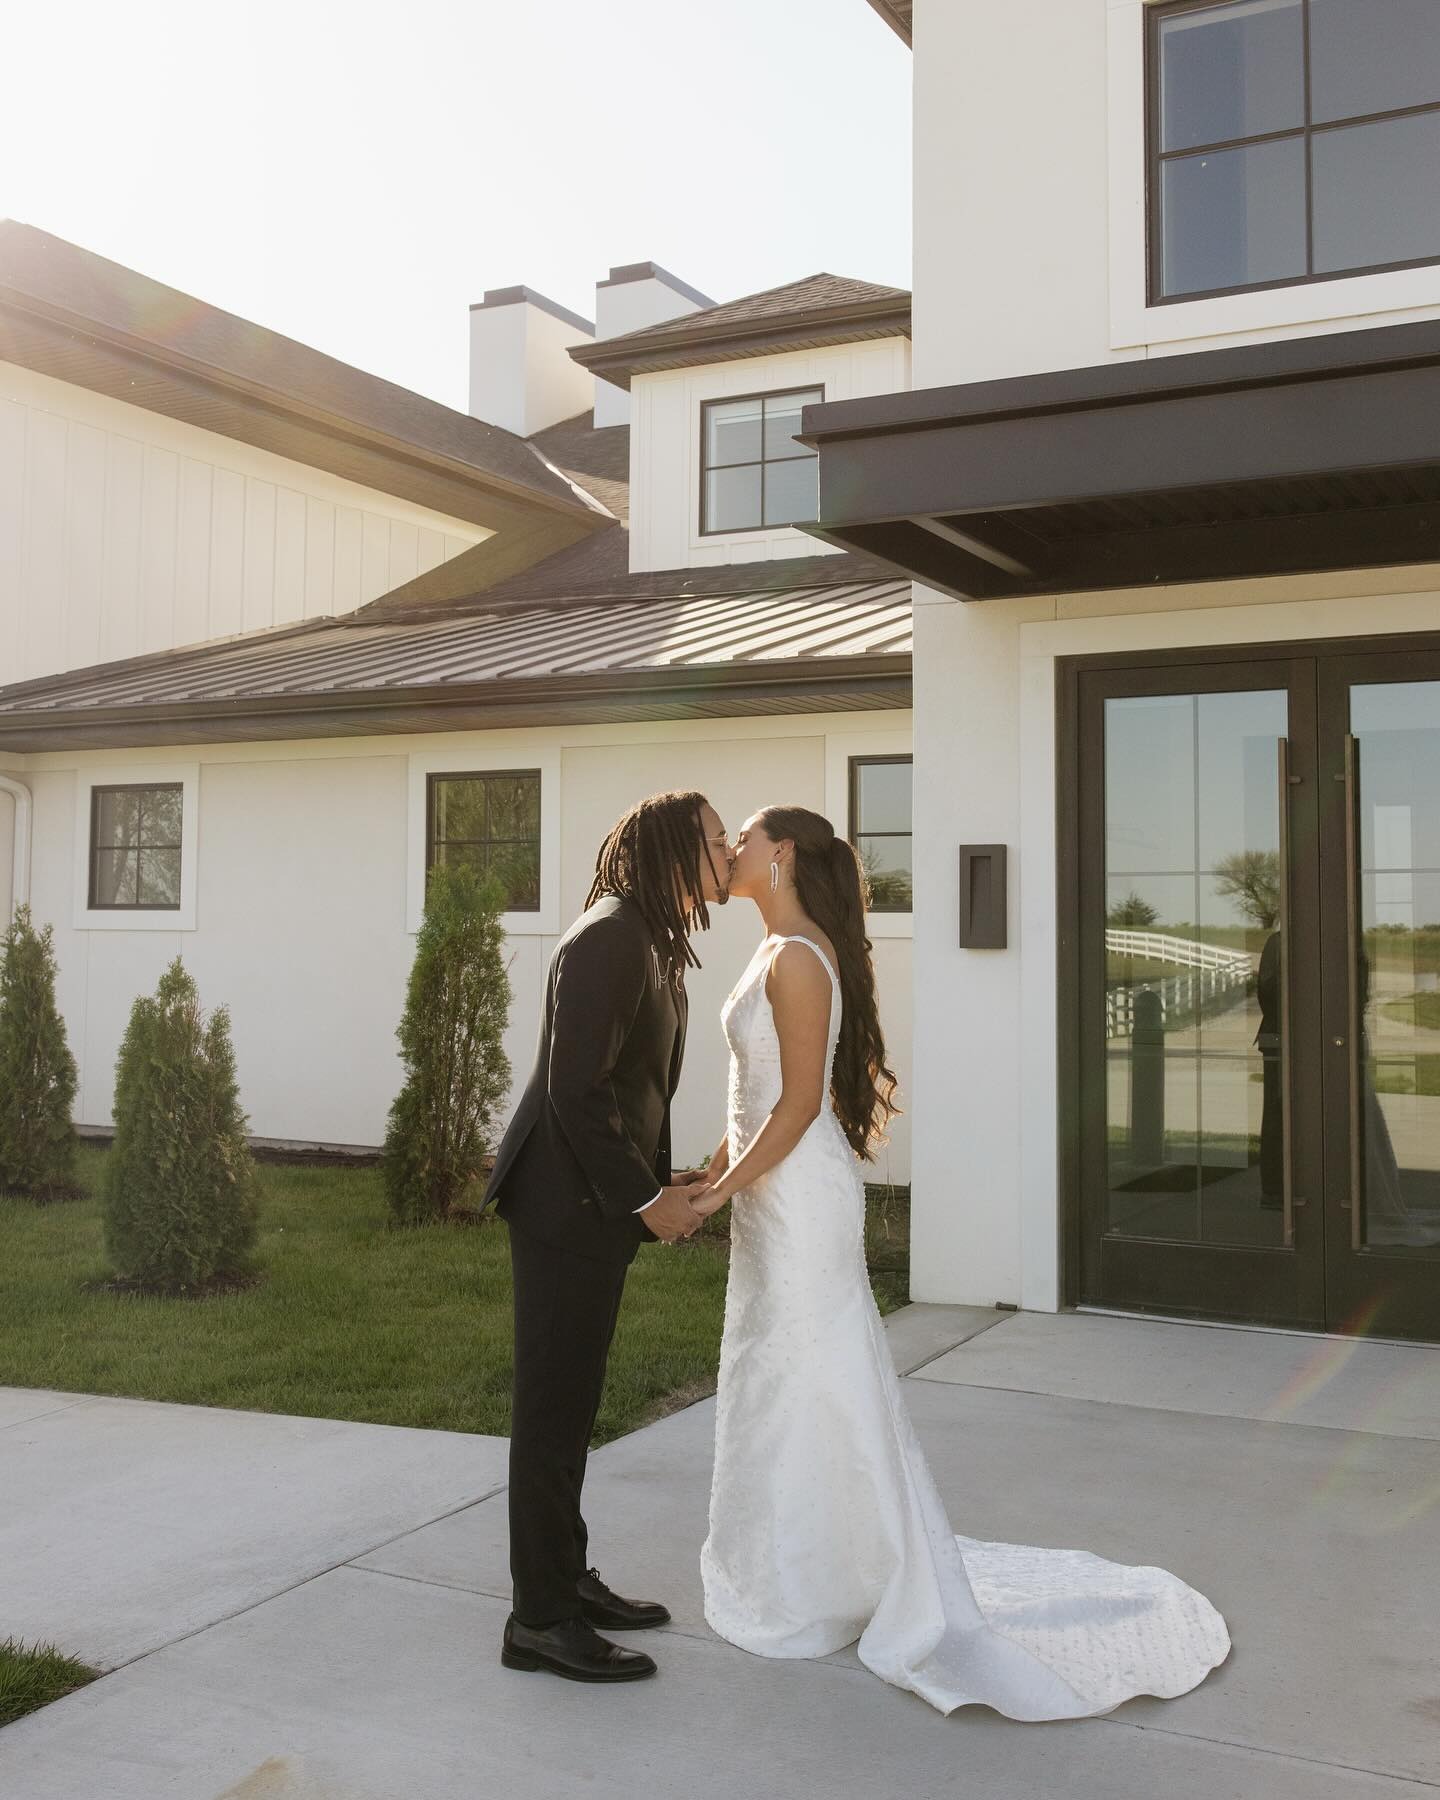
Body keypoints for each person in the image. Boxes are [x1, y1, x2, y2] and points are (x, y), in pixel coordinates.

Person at [692, 804, 1231, 1717]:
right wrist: (712, 1170)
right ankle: (807, 1564)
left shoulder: (795, 957)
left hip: (798, 1200)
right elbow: (756, 1101)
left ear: (779, 854)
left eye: (741, 837)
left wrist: (711, 1195)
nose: (729, 850)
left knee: (811, 1371)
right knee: (779, 1372)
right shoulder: (774, 947)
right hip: (768, 1198)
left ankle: (832, 1577)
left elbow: (796, 1113)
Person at [486, 790, 731, 1684]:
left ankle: (564, 1580)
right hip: (563, 1211)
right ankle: (540, 1620)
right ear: (671, 853)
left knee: (572, 1409)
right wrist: (642, 1203)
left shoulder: (652, 939)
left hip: (593, 1204)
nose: (729, 852)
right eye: (714, 841)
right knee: (551, 1415)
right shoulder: (612, 936)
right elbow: (573, 1092)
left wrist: (656, 1175)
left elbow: (629, 1087)